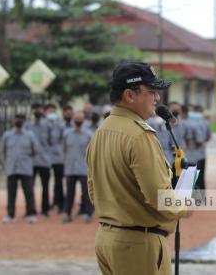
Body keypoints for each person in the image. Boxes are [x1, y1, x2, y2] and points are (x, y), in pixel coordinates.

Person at [86, 62, 186, 275]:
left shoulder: (101, 132)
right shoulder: (139, 135)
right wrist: (188, 201)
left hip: (108, 238)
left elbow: (94, 190)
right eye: (152, 91)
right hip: (139, 243)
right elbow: (160, 198)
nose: (157, 98)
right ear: (130, 95)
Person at [0, 114, 38, 224]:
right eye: (17, 119)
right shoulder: (7, 135)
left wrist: (28, 159)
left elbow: (36, 150)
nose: (18, 121)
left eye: (21, 119)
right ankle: (10, 215)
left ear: (24, 121)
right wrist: (4, 164)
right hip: (11, 168)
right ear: (13, 121)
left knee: (29, 192)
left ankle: (31, 214)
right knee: (11, 193)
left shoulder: (29, 135)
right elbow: (1, 151)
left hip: (26, 168)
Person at [62, 112, 93, 223]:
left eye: (80, 119)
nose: (78, 121)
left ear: (83, 120)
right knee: (69, 193)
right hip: (70, 168)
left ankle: (89, 213)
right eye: (76, 119)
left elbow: (92, 152)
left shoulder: (88, 134)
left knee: (86, 193)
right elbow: (64, 149)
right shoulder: (67, 134)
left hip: (84, 168)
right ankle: (67, 213)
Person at [25, 103, 52, 217]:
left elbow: (51, 141)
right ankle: (30, 210)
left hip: (44, 160)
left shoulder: (48, 126)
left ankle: (45, 210)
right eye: (35, 109)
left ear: (42, 111)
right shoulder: (27, 126)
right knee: (29, 188)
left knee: (45, 187)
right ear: (32, 111)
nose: (37, 111)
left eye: (39, 109)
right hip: (30, 161)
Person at [45, 103, 65, 214]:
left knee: (58, 181)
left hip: (58, 157)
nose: (51, 114)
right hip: (45, 157)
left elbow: (62, 139)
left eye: (53, 111)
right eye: (49, 111)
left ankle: (59, 203)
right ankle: (46, 205)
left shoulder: (60, 125)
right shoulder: (42, 125)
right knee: (45, 182)